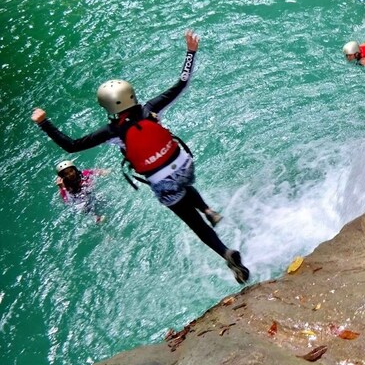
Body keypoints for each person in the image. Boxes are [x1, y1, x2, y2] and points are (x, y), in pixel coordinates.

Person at [31, 30, 250, 284]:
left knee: (193, 223)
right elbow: (182, 83)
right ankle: (208, 209)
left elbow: (71, 145)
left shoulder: (112, 131)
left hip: (161, 179)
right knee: (182, 180)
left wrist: (44, 122)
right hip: (182, 163)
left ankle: (226, 253)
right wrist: (191, 52)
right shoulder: (151, 109)